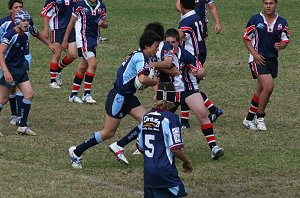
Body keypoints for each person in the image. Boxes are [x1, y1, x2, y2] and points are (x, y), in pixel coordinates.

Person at [68, 30, 161, 168]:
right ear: (147, 46)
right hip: (118, 97)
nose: (157, 49)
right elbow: (142, 78)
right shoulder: (141, 58)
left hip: (128, 96)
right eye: (156, 46)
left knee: (148, 121)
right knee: (108, 132)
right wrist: (154, 82)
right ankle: (76, 151)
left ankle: (119, 145)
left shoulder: (142, 55)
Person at [164, 28, 224, 160]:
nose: (170, 44)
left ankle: (213, 147)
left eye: (173, 42)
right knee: (157, 118)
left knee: (202, 114)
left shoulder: (185, 54)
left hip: (188, 90)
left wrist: (200, 72)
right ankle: (142, 146)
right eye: (167, 41)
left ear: (179, 42)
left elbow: (199, 69)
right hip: (170, 92)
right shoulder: (160, 54)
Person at [0, 0, 55, 126]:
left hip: (22, 60)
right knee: (9, 91)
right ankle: (15, 114)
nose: (19, 9)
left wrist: (49, 44)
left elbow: (36, 33)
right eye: (16, 7)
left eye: (21, 6)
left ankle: (20, 119)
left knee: (23, 90)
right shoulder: (5, 25)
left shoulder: (26, 22)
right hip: (7, 61)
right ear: (10, 10)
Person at [136, 82, 192, 198]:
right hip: (165, 171)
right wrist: (186, 161)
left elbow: (141, 147)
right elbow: (175, 148)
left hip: (149, 173)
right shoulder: (171, 118)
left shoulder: (146, 117)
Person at [242, 0, 290, 131]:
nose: (268, 6)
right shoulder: (256, 20)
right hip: (258, 59)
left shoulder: (282, 22)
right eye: (266, 3)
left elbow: (285, 39)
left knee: (261, 90)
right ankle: (260, 117)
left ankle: (248, 119)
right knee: (269, 87)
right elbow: (246, 38)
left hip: (272, 59)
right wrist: (255, 55)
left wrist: (282, 45)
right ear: (263, 4)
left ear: (276, 4)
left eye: (271, 3)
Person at [177, 0, 223, 128]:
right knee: (188, 86)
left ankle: (186, 121)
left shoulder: (186, 21)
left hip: (191, 57)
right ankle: (210, 110)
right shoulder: (196, 16)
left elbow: (178, 37)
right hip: (200, 53)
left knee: (189, 88)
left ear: (181, 5)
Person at [62, 0, 107, 104]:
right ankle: (87, 94)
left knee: (82, 67)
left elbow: (106, 23)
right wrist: (65, 40)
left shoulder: (102, 6)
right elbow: (71, 23)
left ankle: (73, 95)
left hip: (94, 40)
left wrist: (103, 23)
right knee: (93, 64)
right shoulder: (80, 5)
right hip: (83, 40)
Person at [41, 0, 78, 88]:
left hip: (71, 29)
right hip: (57, 29)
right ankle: (53, 81)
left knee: (73, 54)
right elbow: (46, 13)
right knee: (56, 54)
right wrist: (46, 29)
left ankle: (58, 69)